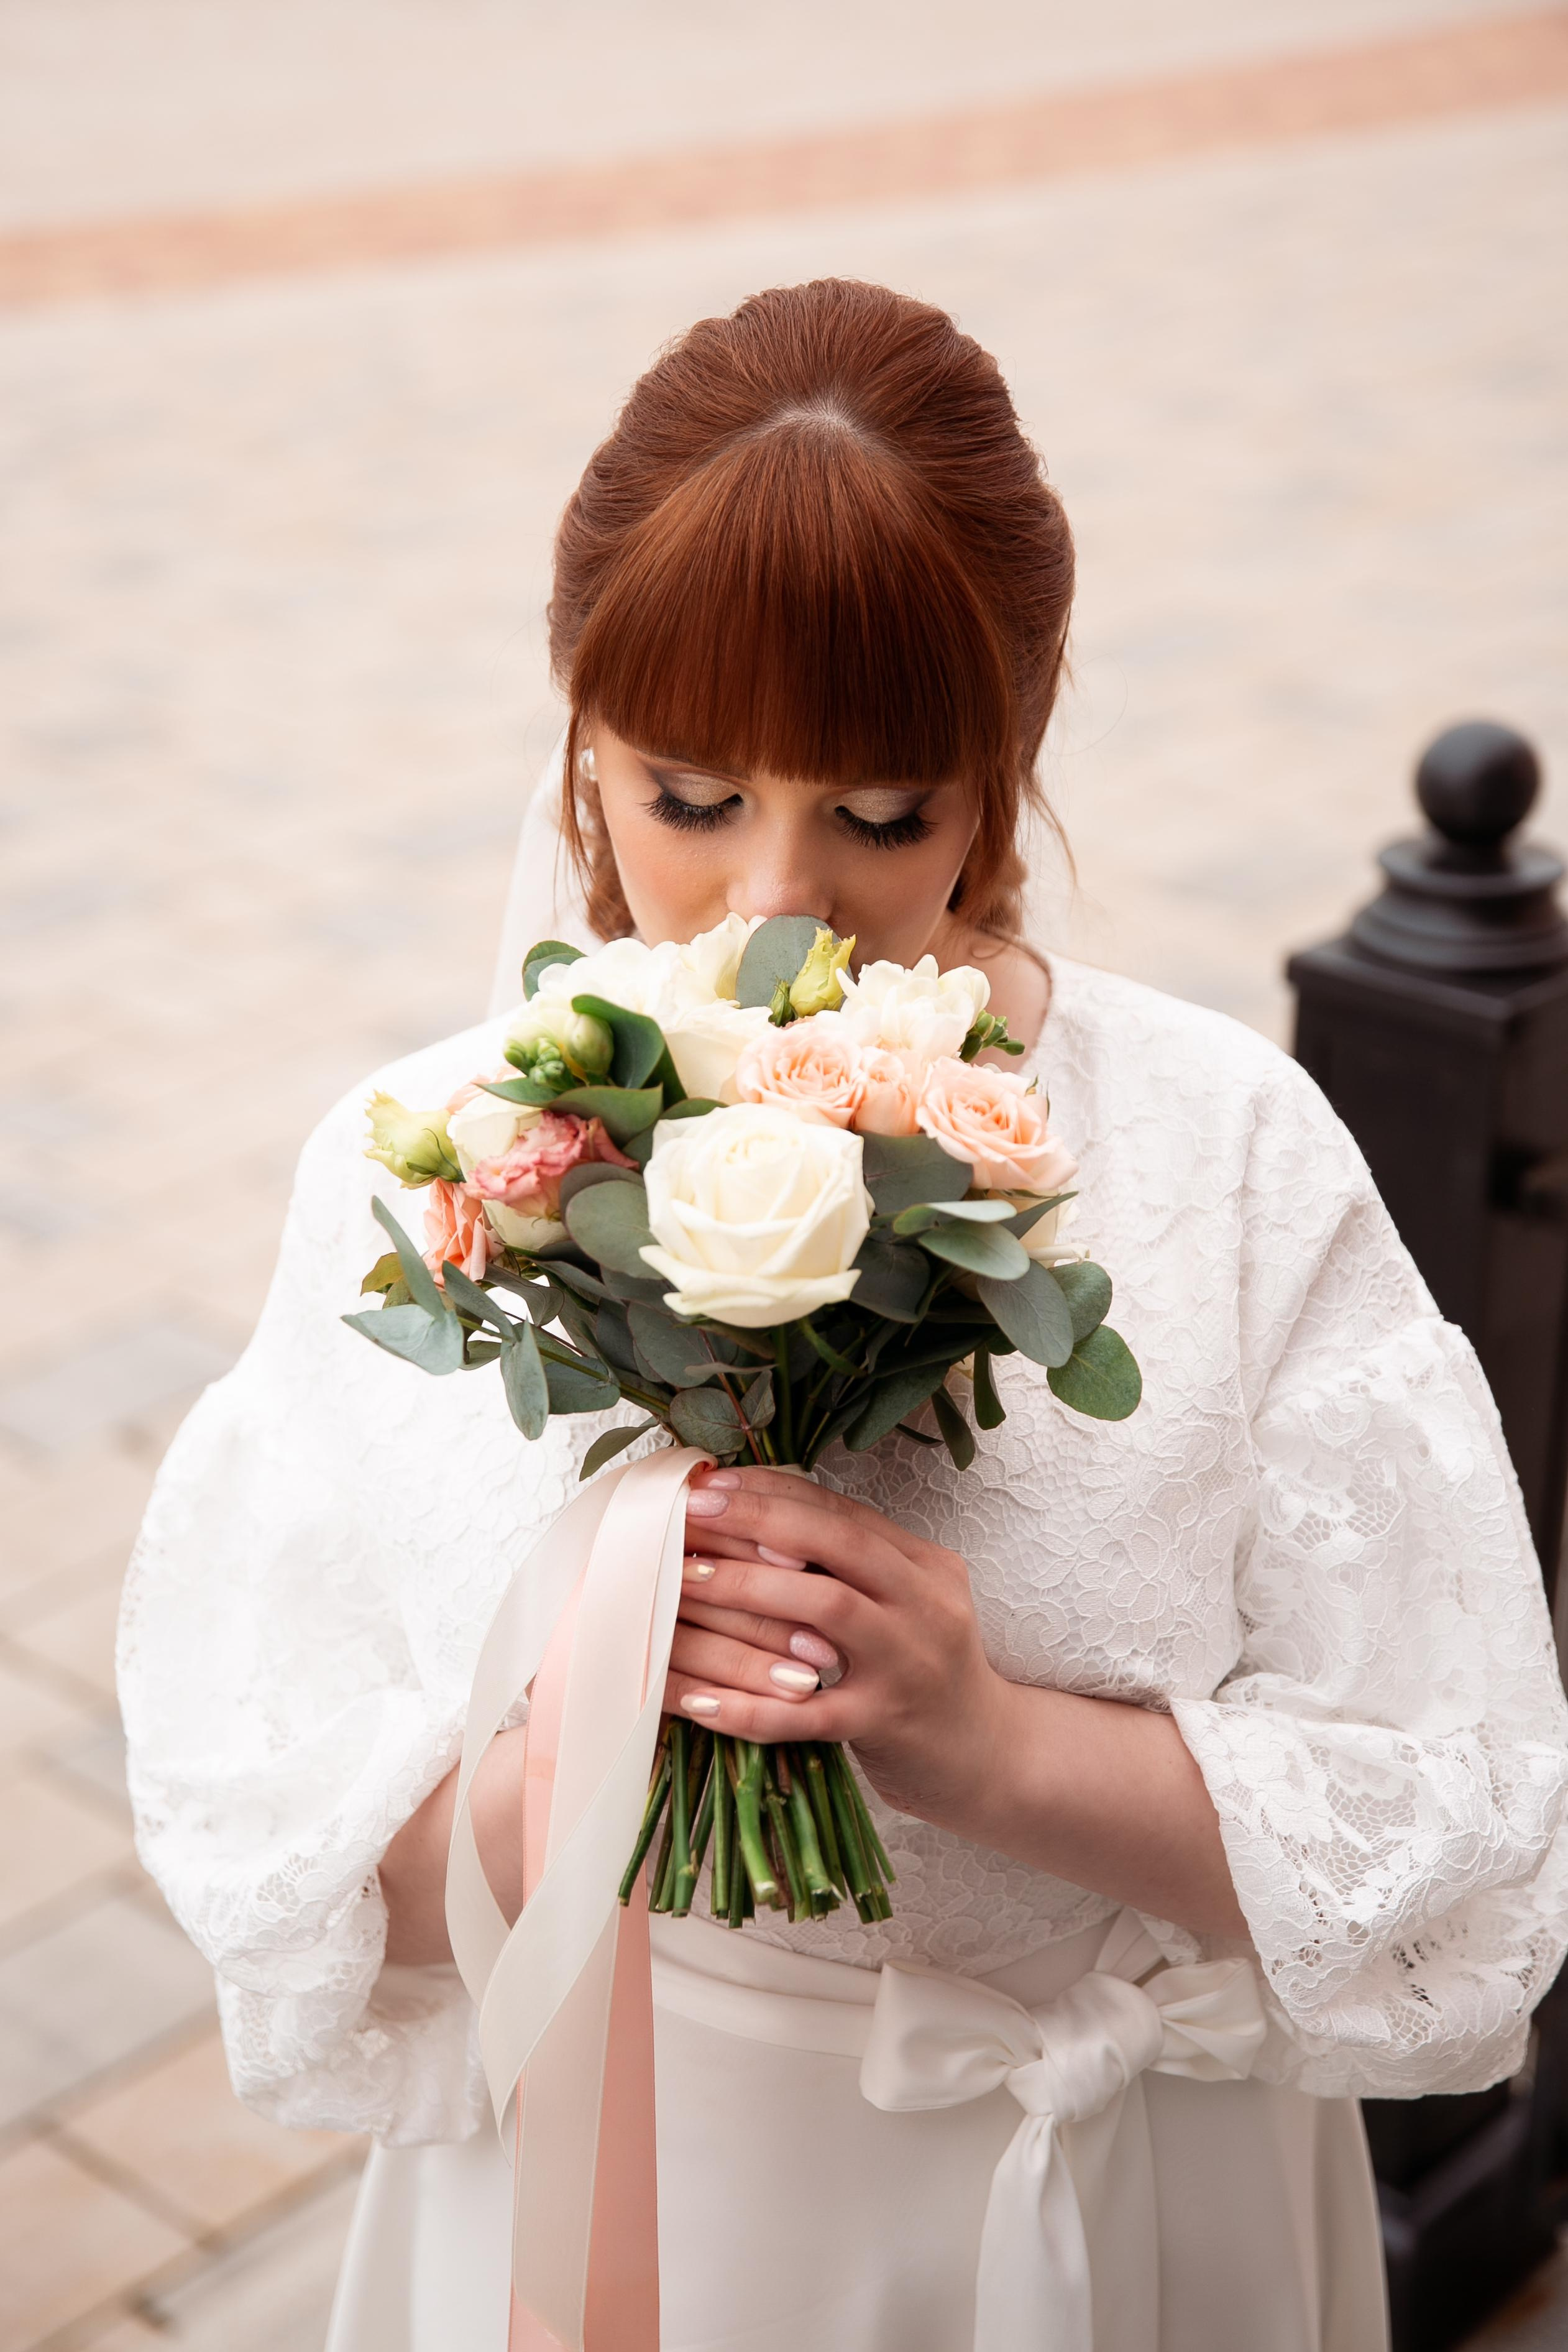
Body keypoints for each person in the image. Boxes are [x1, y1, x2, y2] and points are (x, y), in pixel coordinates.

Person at [120, 280, 1568, 2352]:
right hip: (627, 2181)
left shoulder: (1224, 1154)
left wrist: (981, 1744)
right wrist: (561, 1779)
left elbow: (1448, 1844)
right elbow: (274, 1820)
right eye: (685, 798)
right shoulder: (428, 1162)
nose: (769, 909)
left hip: (1114, 2184)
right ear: (577, 752)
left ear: (1001, 777)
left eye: (880, 815)